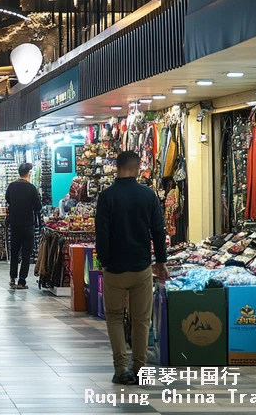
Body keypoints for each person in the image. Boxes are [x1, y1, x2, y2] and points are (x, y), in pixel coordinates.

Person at [95, 151, 168, 385]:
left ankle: (121, 369)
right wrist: (161, 262)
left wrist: (105, 261)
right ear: (137, 169)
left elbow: (102, 233)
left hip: (114, 267)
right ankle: (140, 369)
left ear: (116, 167)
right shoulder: (148, 196)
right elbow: (158, 231)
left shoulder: (107, 197)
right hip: (141, 266)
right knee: (141, 319)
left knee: (115, 317)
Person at [5, 163, 42, 290]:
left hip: (14, 224)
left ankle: (12, 278)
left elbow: (8, 199)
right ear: (29, 173)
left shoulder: (12, 186)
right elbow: (38, 207)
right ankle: (22, 281)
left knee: (14, 252)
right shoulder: (31, 189)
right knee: (26, 254)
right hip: (27, 225)